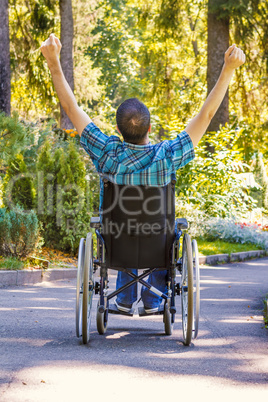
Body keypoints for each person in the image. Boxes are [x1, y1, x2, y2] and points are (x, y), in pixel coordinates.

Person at [41, 34, 245, 313]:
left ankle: (124, 299)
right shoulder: (167, 156)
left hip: (116, 239)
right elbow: (207, 116)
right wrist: (228, 69)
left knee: (122, 224)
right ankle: (153, 299)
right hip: (157, 242)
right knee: (168, 231)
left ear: (119, 130)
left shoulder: (107, 152)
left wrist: (53, 61)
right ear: (149, 129)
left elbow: (71, 108)